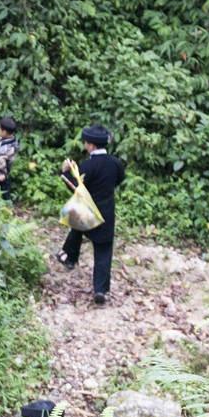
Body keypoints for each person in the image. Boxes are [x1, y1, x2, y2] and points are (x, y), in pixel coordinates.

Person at [57, 122, 126, 304]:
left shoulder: (88, 166)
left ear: (91, 145)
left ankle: (69, 257)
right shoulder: (115, 163)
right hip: (106, 212)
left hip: (87, 210)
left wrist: (65, 172)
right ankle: (100, 290)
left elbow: (75, 187)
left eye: (86, 142)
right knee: (103, 251)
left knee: (77, 227)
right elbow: (120, 178)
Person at [0, 116, 20, 201]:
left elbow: (2, 158)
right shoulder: (11, 140)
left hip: (1, 172)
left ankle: (7, 206)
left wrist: (2, 173)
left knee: (4, 191)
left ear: (4, 132)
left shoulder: (9, 147)